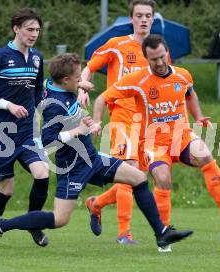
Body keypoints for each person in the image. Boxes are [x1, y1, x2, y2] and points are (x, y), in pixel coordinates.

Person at [0, 53, 193, 251]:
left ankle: (161, 233)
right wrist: (77, 130)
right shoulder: (56, 105)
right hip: (73, 167)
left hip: (92, 158)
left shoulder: (52, 85)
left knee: (138, 177)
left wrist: (81, 88)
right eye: (77, 77)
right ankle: (0, 225)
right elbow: (48, 142)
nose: (81, 79)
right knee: (59, 219)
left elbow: (53, 84)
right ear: (64, 81)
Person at [92, 34, 220, 252]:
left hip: (181, 137)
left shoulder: (182, 76)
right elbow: (102, 98)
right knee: (163, 178)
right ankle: (164, 233)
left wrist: (199, 116)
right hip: (153, 143)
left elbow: (190, 95)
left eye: (162, 57)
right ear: (146, 58)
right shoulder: (138, 80)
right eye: (154, 59)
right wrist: (97, 121)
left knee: (205, 154)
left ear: (168, 53)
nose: (160, 62)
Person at [79, 0, 156, 245]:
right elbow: (89, 67)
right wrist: (82, 87)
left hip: (148, 121)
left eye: (148, 16)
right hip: (121, 116)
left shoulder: (157, 49)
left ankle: (96, 203)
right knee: (130, 171)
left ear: (153, 19)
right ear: (131, 19)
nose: (143, 19)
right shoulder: (117, 44)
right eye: (139, 15)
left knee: (138, 178)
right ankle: (124, 233)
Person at [0, 8, 50, 248]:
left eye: (37, 30)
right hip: (2, 133)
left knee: (42, 173)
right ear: (16, 29)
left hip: (28, 131)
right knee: (6, 189)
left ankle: (33, 224)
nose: (34, 34)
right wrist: (8, 105)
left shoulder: (37, 58)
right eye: (30, 29)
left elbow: (38, 89)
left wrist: (42, 109)